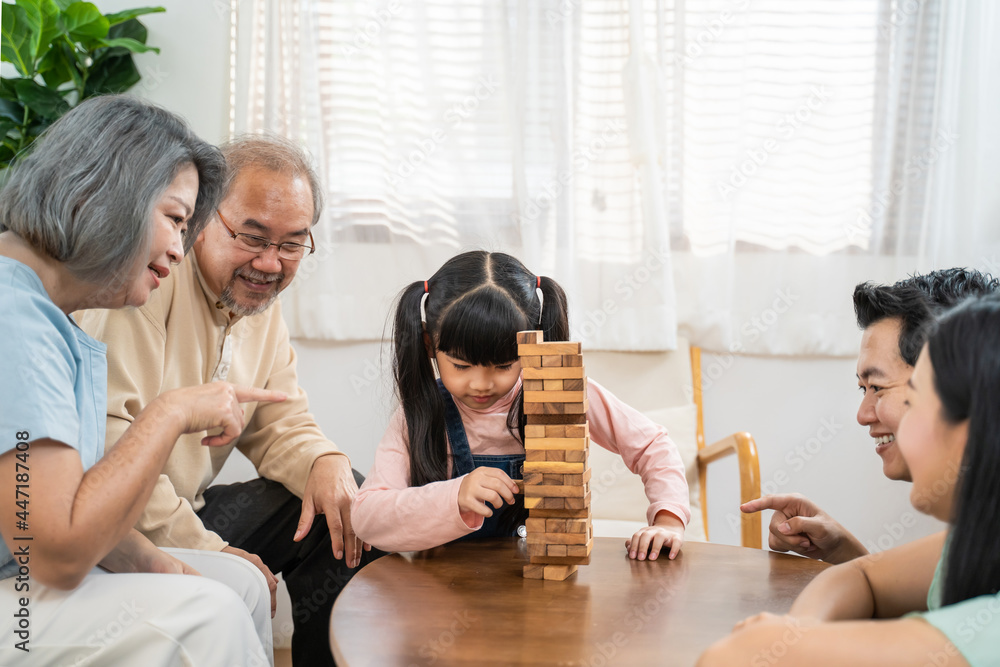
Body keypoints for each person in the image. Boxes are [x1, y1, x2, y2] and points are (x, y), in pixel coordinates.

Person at [78, 134, 381, 667]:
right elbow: (107, 456)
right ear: (199, 218)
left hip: (184, 512)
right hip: (116, 533)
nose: (270, 264)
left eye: (292, 244)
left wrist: (324, 460)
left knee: (345, 504)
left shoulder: (257, 301)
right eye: (252, 236)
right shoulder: (142, 285)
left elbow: (280, 418)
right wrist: (212, 551)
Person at [0, 95, 283, 665]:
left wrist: (151, 563)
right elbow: (52, 551)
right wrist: (170, 413)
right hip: (24, 585)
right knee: (210, 615)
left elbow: (45, 507)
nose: (180, 250)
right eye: (176, 220)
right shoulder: (14, 318)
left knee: (239, 586)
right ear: (101, 195)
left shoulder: (46, 315)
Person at [698, 294, 1000, 667]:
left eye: (916, 400)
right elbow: (864, 576)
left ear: (972, 425)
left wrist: (787, 644)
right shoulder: (972, 542)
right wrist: (799, 633)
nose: (862, 415)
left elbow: (735, 656)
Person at [352, 251, 691, 561]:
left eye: (502, 366)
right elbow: (367, 517)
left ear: (532, 344)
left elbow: (651, 444)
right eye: (461, 365)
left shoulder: (562, 392)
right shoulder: (417, 416)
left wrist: (668, 519)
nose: (482, 384)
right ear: (430, 345)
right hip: (445, 589)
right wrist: (453, 495)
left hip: (539, 587)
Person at [741, 269, 998, 563]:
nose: (862, 415)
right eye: (863, 388)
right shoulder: (967, 543)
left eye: (877, 386)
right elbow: (884, 587)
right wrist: (838, 548)